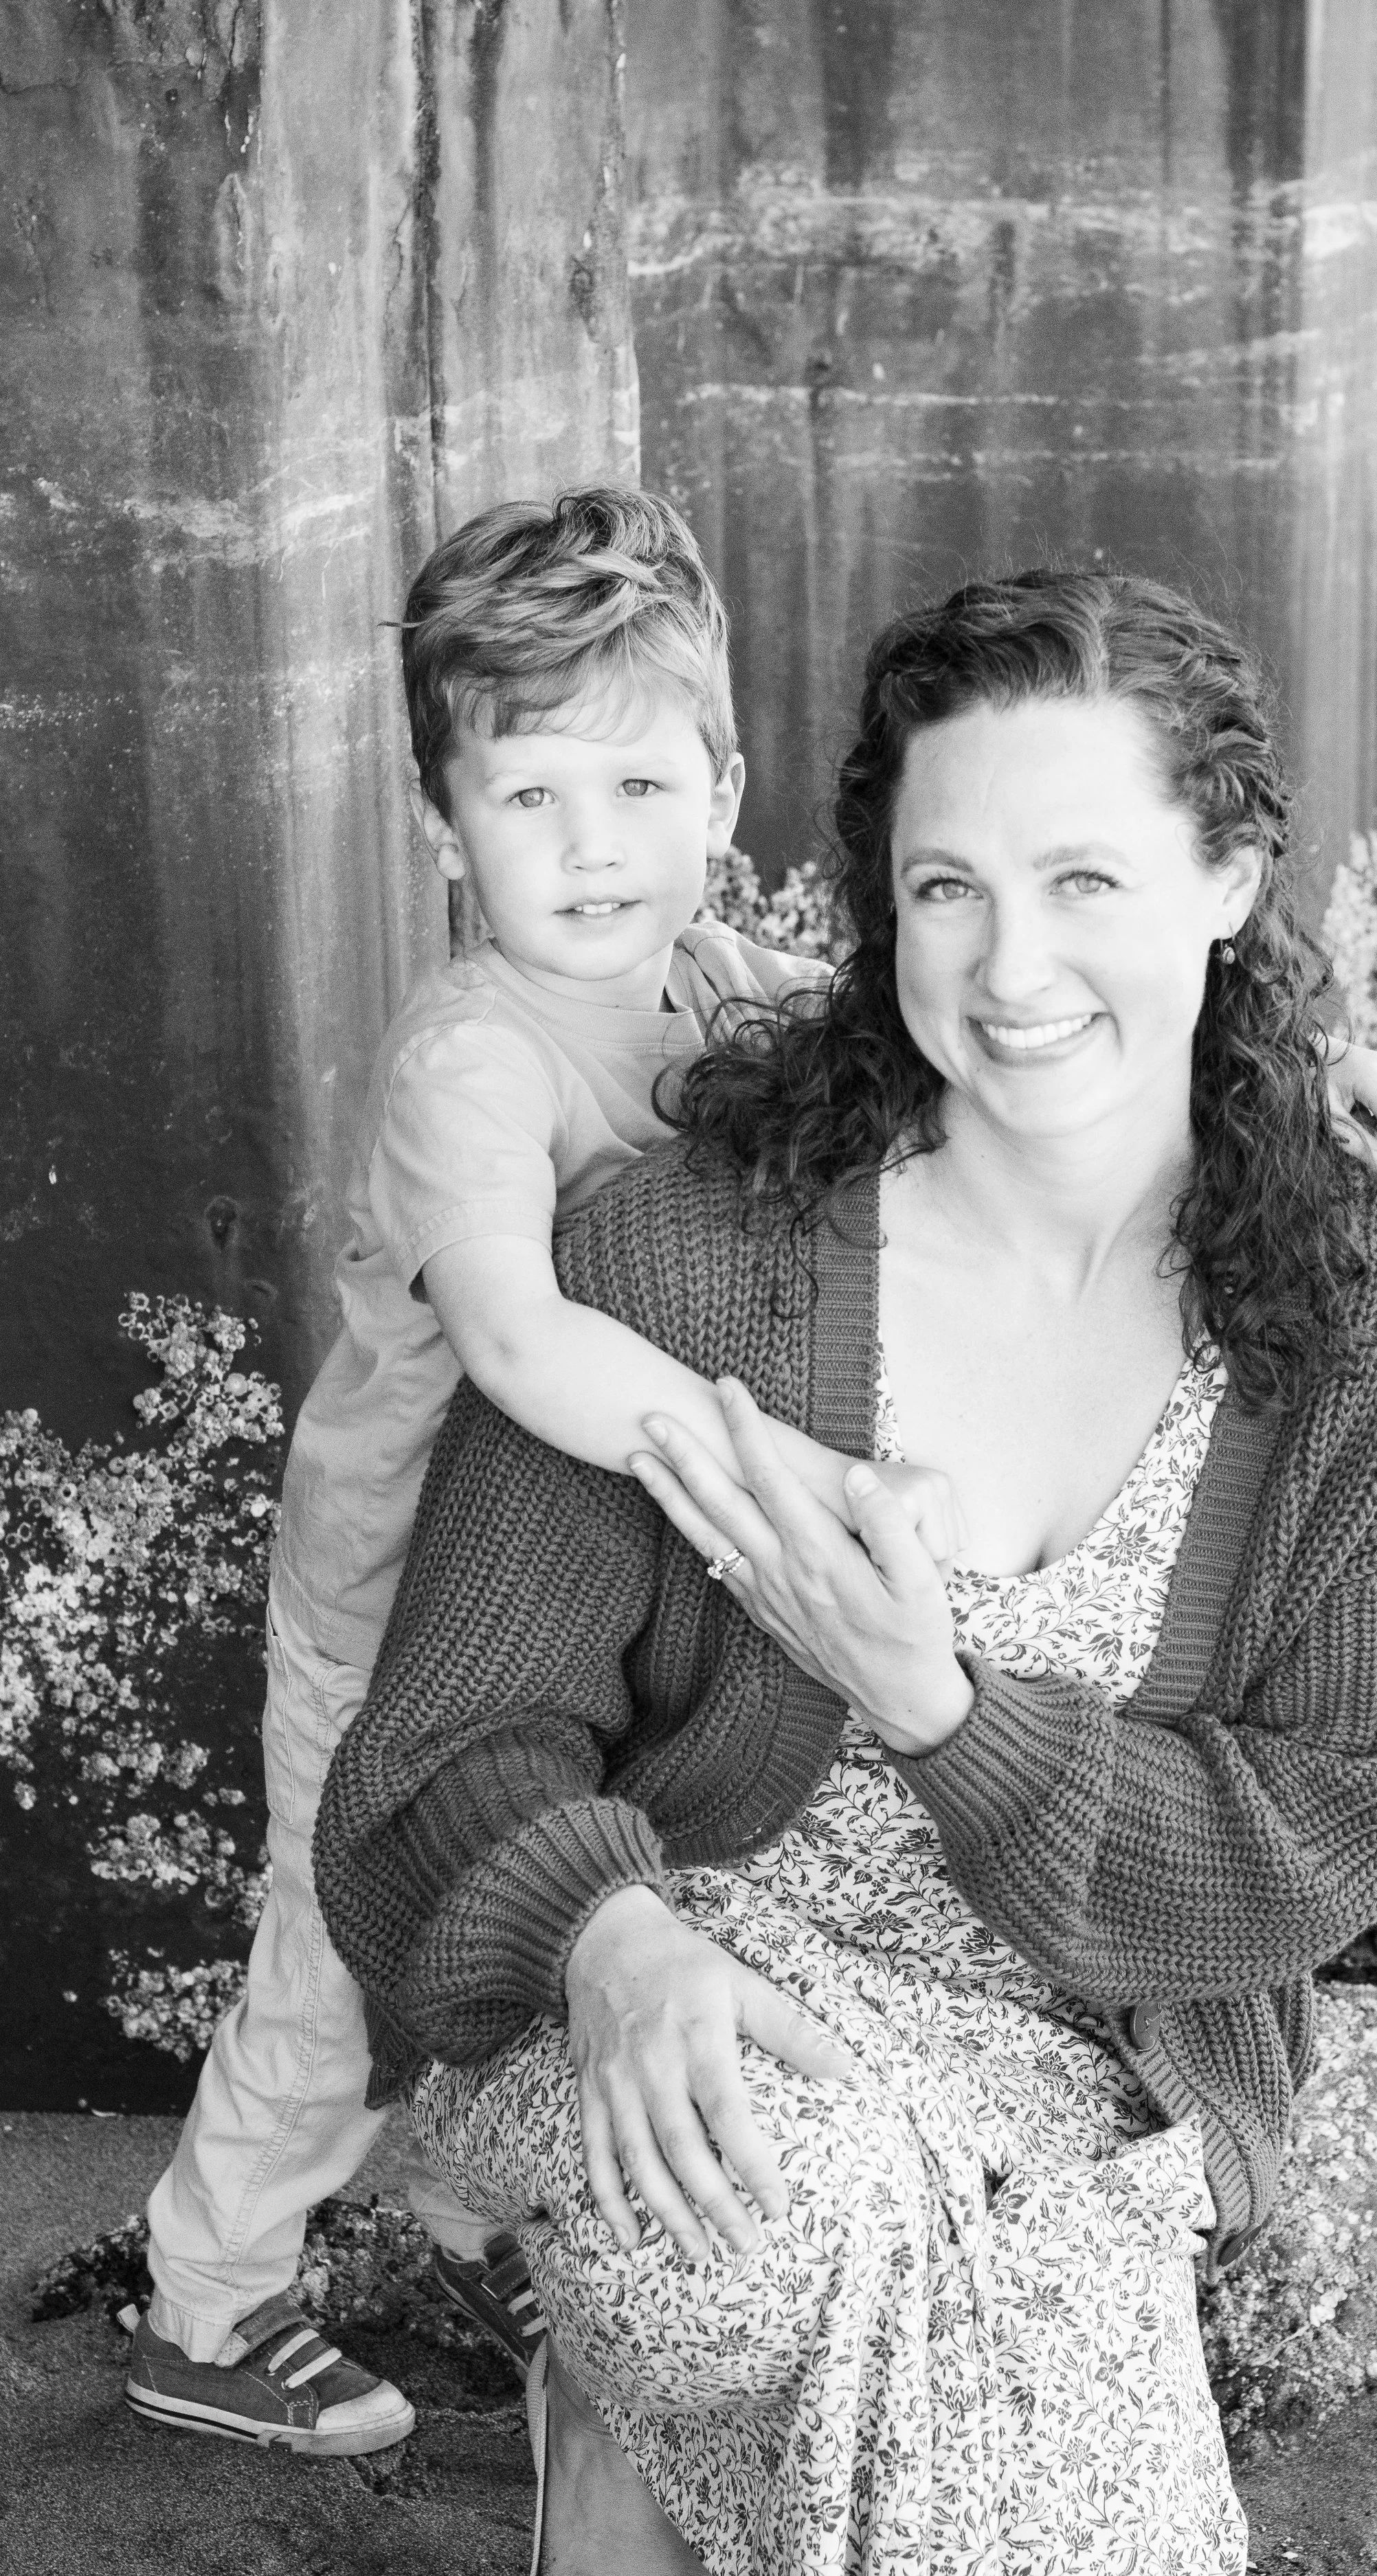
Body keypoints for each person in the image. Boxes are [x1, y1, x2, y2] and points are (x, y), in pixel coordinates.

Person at [313, 564, 1377, 2573]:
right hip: (682, 1981)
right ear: (878, 902)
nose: (1012, 962)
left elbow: (1338, 1822)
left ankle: (623, 2486)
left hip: (1083, 2047)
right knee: (749, 2245)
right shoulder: (688, 1253)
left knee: (919, 2331)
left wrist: (938, 1707)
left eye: (1086, 882)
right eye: (947, 886)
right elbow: (443, 1747)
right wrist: (608, 1945)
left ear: (1228, 880)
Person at [127, 488, 973, 2454]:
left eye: (638, 783)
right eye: (527, 799)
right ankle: (210, 2300)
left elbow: (968, 1067)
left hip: (572, 1620)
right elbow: (513, 1337)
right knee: (339, 1961)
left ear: (724, 782)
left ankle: (470, 2202)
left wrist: (1289, 1068)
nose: (593, 846)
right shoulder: (476, 1064)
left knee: (581, 1895)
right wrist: (762, 1475)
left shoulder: (732, 989)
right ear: (443, 824)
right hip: (396, 1605)